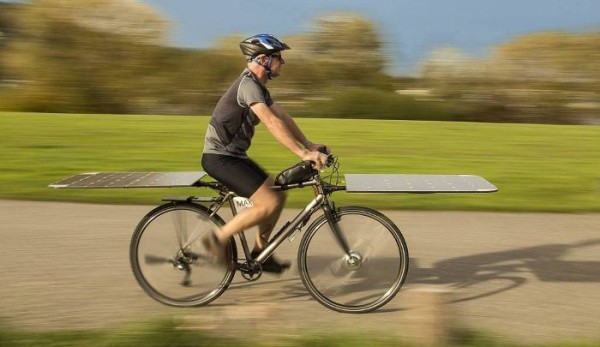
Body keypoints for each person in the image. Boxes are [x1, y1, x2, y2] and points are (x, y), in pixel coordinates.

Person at [201, 34, 329, 273]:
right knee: (267, 201)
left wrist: (309, 144)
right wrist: (302, 153)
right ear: (263, 60)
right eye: (278, 57)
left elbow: (282, 117)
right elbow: (270, 122)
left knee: (278, 195)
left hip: (234, 156)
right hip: (220, 157)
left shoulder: (258, 87)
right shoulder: (248, 85)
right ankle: (216, 240)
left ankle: (261, 252)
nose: (282, 62)